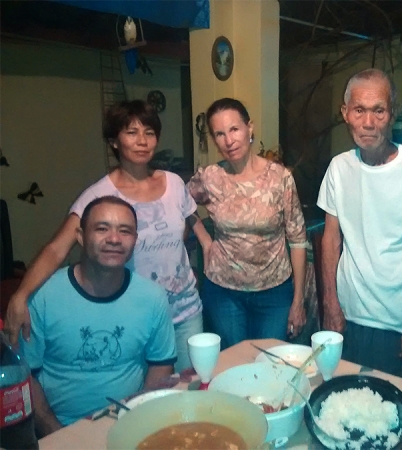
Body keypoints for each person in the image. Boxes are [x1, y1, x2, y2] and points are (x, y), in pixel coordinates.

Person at [6, 100, 204, 372]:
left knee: (190, 390)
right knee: (145, 399)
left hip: (186, 312)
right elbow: (56, 249)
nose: (142, 141)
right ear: (114, 141)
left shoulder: (174, 183)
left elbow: (184, 227)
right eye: (131, 132)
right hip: (135, 314)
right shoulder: (99, 196)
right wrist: (21, 294)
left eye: (149, 132)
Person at [316, 68, 402, 376]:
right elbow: (330, 239)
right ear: (345, 113)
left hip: (399, 322)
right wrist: (330, 305)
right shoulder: (339, 168)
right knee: (343, 404)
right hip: (347, 317)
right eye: (359, 110)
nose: (368, 123)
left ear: (393, 113)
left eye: (378, 111)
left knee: (390, 415)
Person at [21, 196, 176, 436]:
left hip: (128, 423)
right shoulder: (42, 296)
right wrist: (59, 434)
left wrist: (139, 421)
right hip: (59, 428)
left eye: (125, 231)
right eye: (102, 228)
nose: (114, 239)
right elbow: (25, 376)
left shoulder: (152, 297)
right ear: (81, 237)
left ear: (135, 240)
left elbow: (161, 364)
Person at [187, 98, 307, 349]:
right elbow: (180, 204)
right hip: (223, 292)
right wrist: (205, 240)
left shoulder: (279, 178)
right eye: (219, 134)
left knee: (270, 361)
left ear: (249, 128)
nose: (228, 141)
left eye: (234, 129)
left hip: (274, 292)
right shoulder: (210, 177)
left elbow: (297, 240)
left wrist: (298, 301)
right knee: (233, 363)